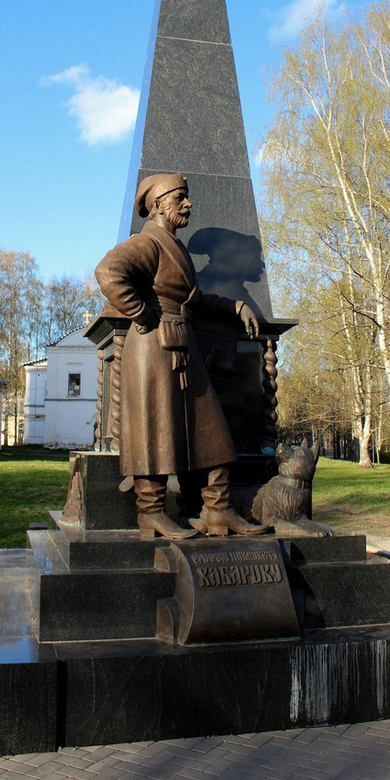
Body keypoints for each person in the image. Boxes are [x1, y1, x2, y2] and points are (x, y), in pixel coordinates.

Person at [95, 172, 269, 539]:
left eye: (186, 198)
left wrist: (235, 305)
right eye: (180, 198)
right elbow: (108, 272)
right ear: (158, 204)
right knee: (154, 433)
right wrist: (143, 314)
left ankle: (218, 511)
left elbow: (194, 299)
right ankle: (151, 513)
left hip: (181, 348)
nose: (188, 205)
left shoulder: (176, 249)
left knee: (214, 433)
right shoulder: (147, 243)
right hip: (154, 350)